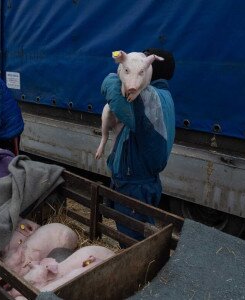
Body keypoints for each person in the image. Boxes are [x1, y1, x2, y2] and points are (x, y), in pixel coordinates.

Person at [100, 48, 176, 245]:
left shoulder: (148, 97)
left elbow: (110, 90)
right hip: (145, 180)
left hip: (135, 185)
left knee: (132, 244)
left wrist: (118, 71)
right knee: (142, 234)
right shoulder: (164, 96)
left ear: (148, 70)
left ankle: (140, 275)